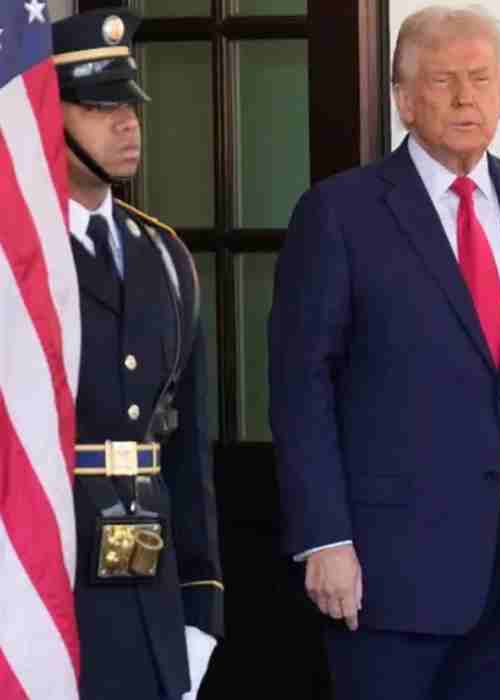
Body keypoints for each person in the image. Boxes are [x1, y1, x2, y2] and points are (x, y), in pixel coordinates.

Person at [268, 5, 500, 700]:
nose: (466, 98)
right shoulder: (340, 213)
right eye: (442, 81)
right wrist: (324, 537)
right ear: (403, 100)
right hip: (386, 573)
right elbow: (301, 386)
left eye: (482, 79)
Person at [53, 9, 223, 699]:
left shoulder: (164, 256)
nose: (127, 124)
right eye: (100, 107)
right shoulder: (17, 258)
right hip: (46, 588)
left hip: (149, 592)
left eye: (130, 105)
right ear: (49, 118)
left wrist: (201, 605)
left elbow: (186, 449)